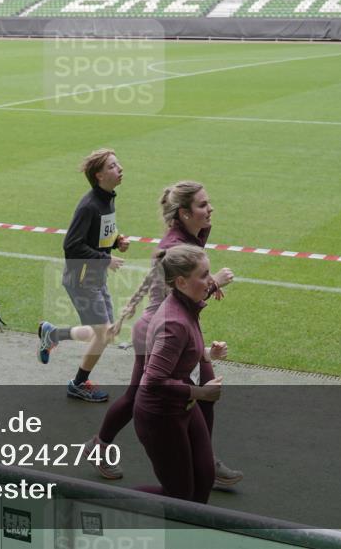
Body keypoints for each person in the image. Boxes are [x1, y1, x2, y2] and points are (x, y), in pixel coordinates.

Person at [86, 181, 240, 487]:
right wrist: (214, 283)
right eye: (202, 205)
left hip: (175, 327)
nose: (210, 209)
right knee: (142, 395)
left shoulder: (190, 235)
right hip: (162, 330)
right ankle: (99, 446)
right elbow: (179, 295)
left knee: (203, 392)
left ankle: (202, 458)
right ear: (183, 213)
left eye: (208, 203)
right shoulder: (174, 247)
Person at [132, 244, 224, 503]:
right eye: (204, 275)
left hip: (183, 405)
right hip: (160, 415)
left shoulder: (187, 305)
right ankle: (95, 500)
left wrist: (207, 353)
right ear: (181, 281)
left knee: (204, 477)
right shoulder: (175, 322)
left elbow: (181, 353)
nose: (211, 281)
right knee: (179, 495)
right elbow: (153, 381)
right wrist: (202, 392)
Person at [36, 149, 129, 402]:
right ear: (99, 175)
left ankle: (53, 334)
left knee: (104, 333)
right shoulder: (89, 205)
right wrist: (106, 259)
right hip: (82, 280)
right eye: (112, 166)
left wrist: (115, 240)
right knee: (104, 333)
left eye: (117, 164)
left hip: (95, 277)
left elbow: (98, 234)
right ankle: (78, 383)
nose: (119, 168)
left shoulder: (107, 198)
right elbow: (72, 245)